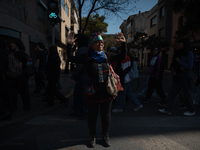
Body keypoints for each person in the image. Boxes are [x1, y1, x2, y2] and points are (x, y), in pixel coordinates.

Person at [68, 32, 126, 148]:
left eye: (101, 42)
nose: (100, 44)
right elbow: (71, 58)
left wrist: (123, 44)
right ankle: (92, 136)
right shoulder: (86, 56)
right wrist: (69, 45)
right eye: (97, 42)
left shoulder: (107, 55)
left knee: (106, 115)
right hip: (92, 92)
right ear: (92, 44)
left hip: (106, 91)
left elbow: (122, 57)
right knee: (92, 116)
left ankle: (105, 136)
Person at [159, 38, 195, 116]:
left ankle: (191, 110)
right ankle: (167, 109)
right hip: (179, 74)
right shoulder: (181, 52)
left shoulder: (189, 53)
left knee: (186, 93)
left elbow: (190, 66)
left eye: (181, 43)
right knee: (172, 92)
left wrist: (180, 62)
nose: (179, 45)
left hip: (186, 75)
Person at [112, 46, 143, 113]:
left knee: (122, 94)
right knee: (129, 92)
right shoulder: (129, 57)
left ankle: (119, 107)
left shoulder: (124, 58)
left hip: (123, 78)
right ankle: (138, 104)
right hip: (127, 78)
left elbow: (123, 70)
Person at [67, 33, 89, 120]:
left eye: (76, 41)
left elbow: (79, 65)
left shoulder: (82, 50)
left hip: (83, 74)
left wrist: (73, 76)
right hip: (85, 74)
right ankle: (81, 111)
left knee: (80, 93)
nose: (75, 43)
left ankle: (81, 112)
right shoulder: (86, 49)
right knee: (81, 93)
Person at [10, 39, 31, 111]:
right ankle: (27, 106)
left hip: (19, 76)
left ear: (17, 44)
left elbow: (20, 65)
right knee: (24, 92)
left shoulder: (18, 53)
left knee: (14, 92)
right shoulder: (23, 53)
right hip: (24, 75)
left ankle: (13, 108)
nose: (11, 44)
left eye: (12, 43)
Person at [0, 38, 12, 120]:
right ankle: (7, 112)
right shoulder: (7, 53)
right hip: (7, 77)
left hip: (2, 77)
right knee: (6, 96)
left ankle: (4, 112)